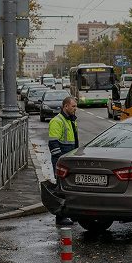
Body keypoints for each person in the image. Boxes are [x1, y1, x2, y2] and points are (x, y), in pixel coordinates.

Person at [49, 96, 79, 226]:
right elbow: (53, 144)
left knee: (69, 188)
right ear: (65, 106)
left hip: (69, 159)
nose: (75, 108)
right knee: (60, 188)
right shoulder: (57, 121)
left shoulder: (71, 120)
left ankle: (69, 214)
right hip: (61, 160)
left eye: (75, 106)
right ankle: (60, 217)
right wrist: (61, 162)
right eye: (73, 106)